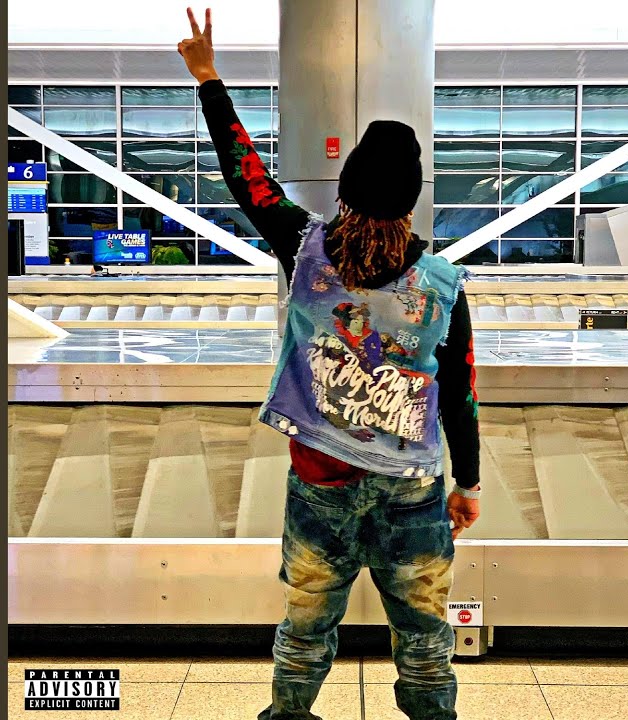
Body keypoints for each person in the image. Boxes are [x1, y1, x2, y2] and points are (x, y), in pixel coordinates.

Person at [178, 9, 481, 720]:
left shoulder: (304, 249)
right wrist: (466, 483)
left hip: (318, 479)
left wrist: (208, 78)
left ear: (345, 187)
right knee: (425, 637)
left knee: (306, 628)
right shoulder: (441, 284)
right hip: (411, 488)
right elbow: (459, 394)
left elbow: (247, 179)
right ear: (411, 198)